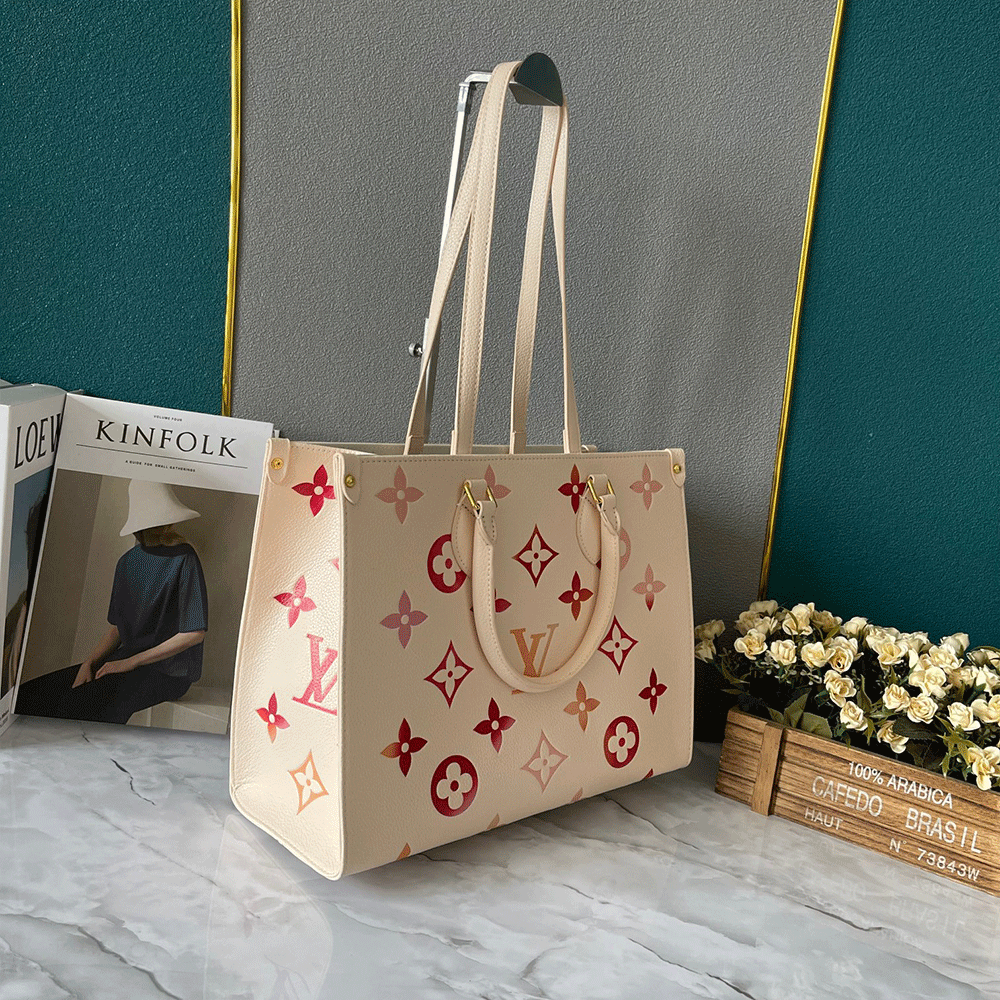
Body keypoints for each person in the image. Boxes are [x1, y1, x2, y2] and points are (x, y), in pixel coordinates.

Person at [15, 479, 209, 725]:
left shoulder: (184, 558)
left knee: (78, 704)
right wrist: (89, 663)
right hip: (124, 661)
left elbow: (194, 633)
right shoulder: (127, 562)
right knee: (28, 696)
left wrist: (130, 662)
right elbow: (117, 629)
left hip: (168, 673)